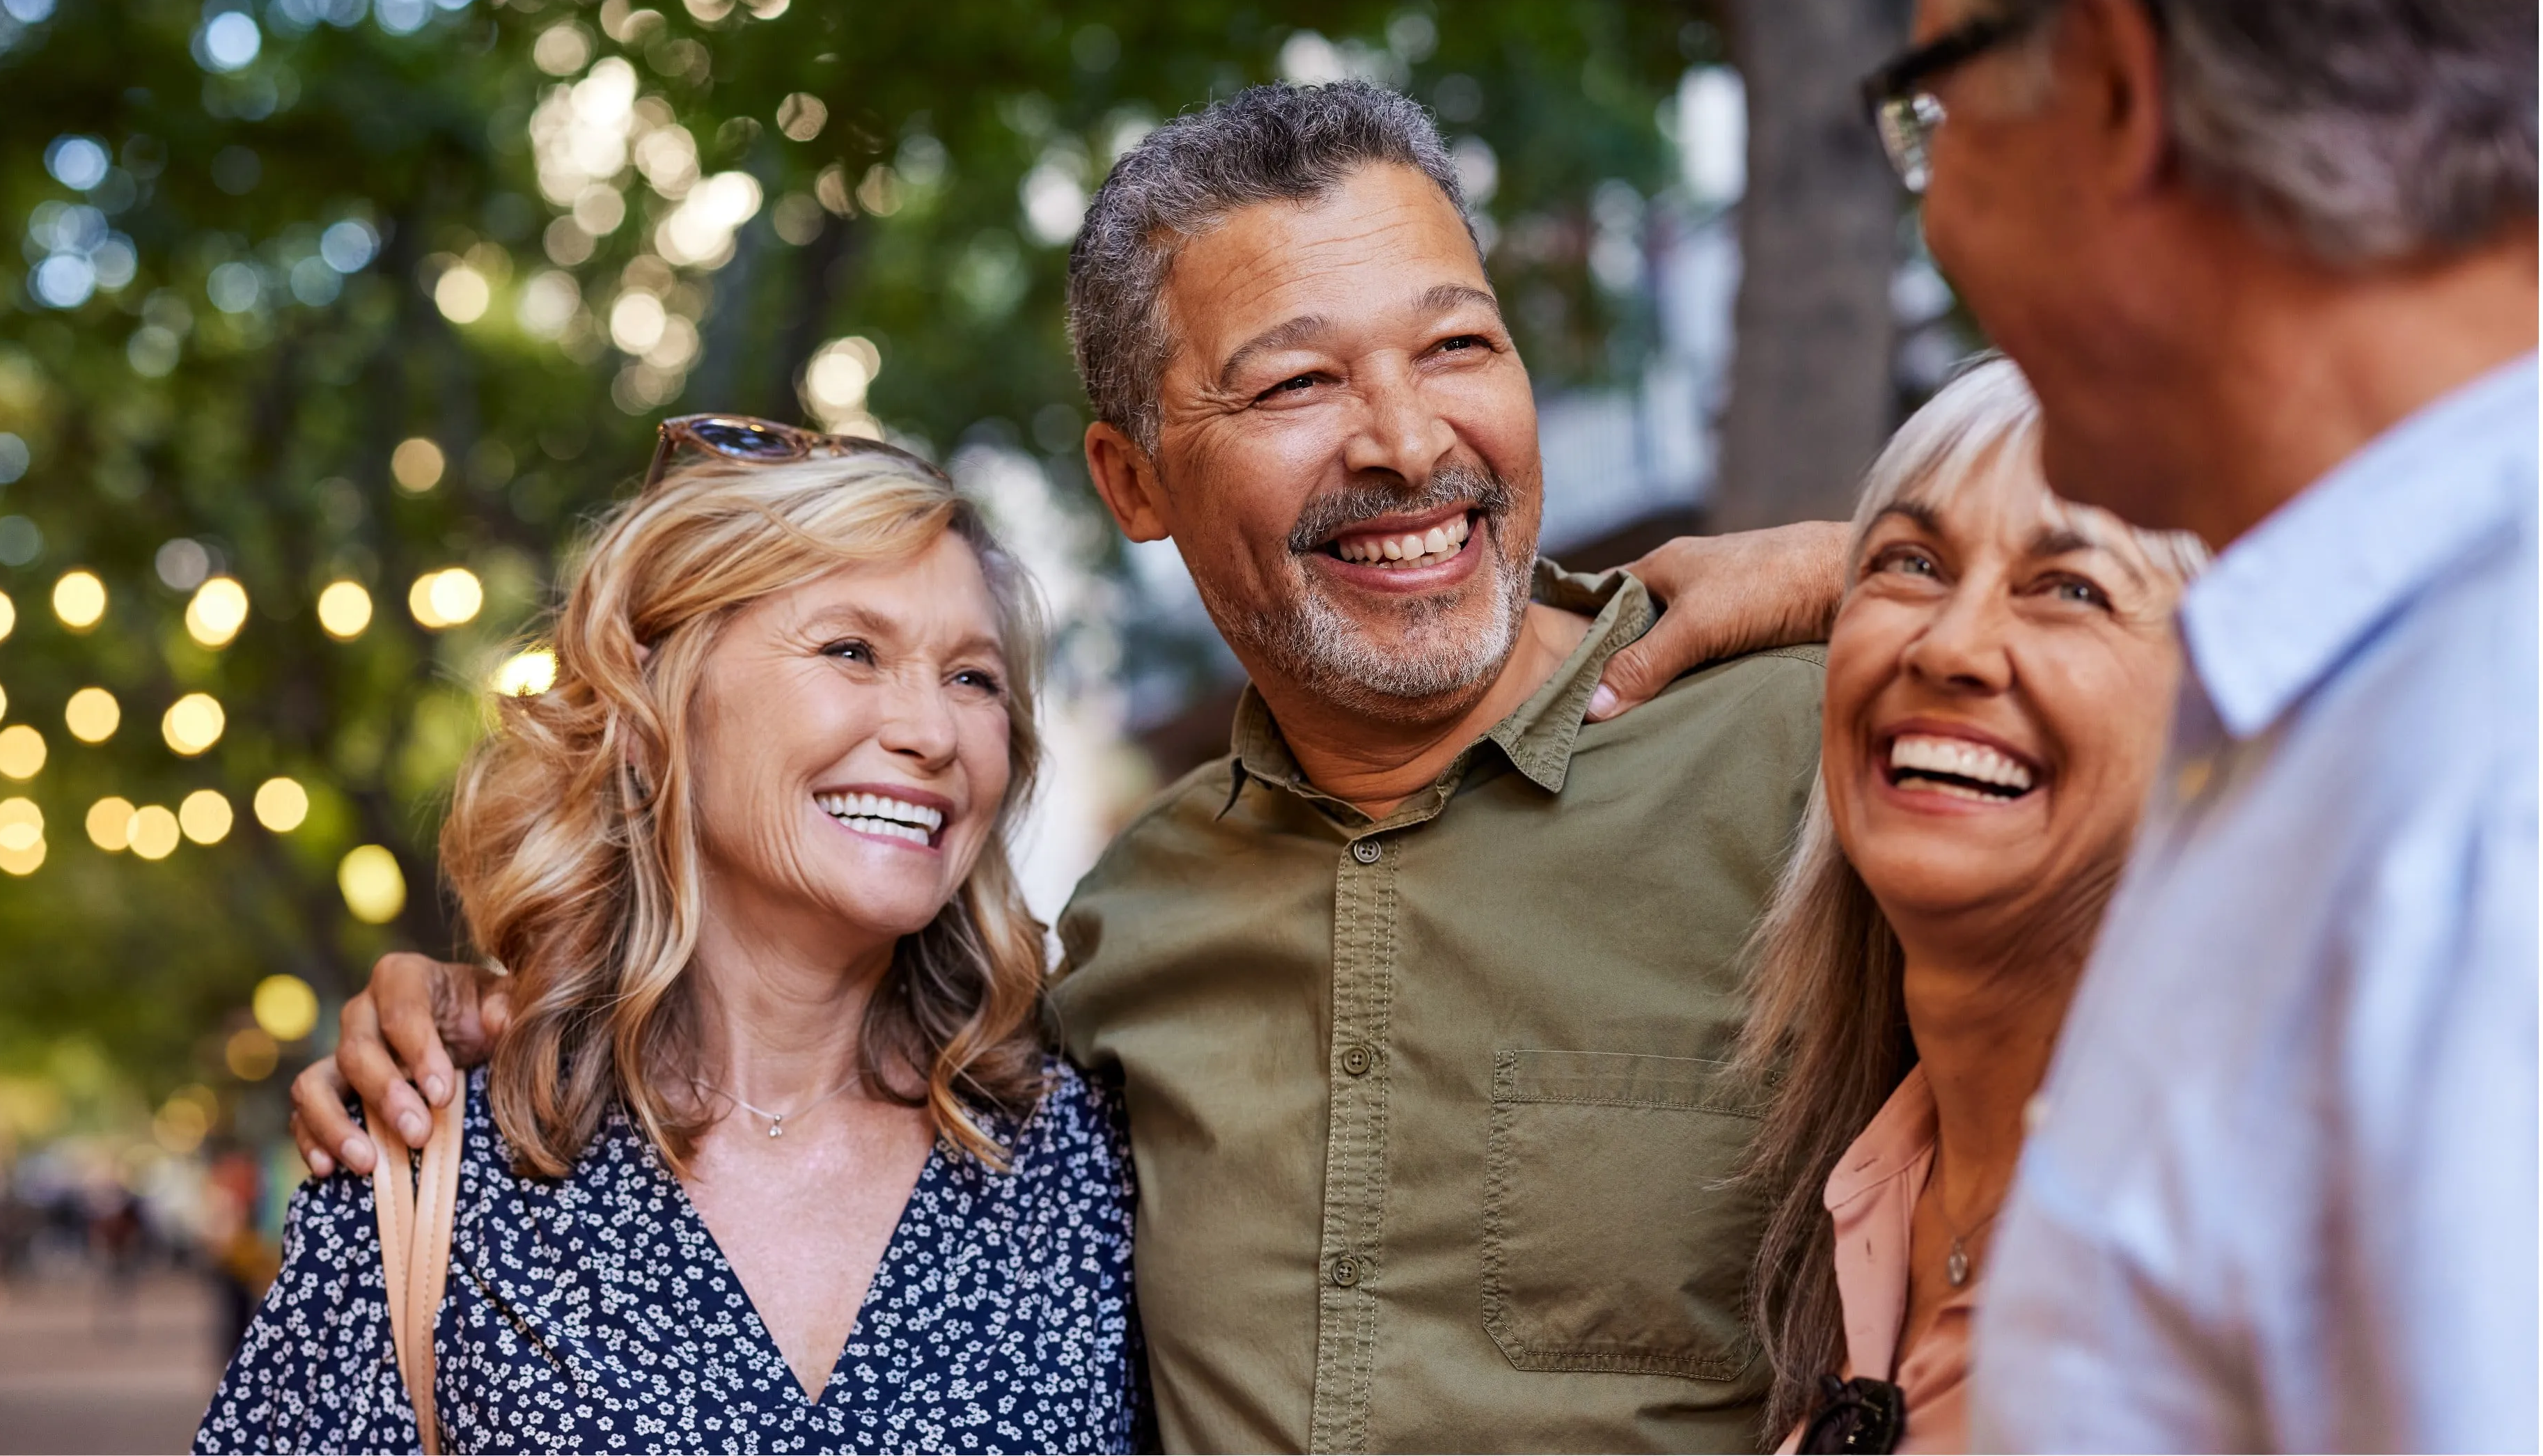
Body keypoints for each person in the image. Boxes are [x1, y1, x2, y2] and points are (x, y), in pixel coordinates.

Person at [297, 82, 1853, 1452]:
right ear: (1133, 478)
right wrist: (470, 1004)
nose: (1403, 438)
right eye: (1297, 382)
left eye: (1459, 345)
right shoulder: (1109, 966)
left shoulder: (1811, 763)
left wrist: (1891, 566)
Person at [1868, 0, 2537, 1448]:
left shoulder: (2485, 801)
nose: (1937, 214)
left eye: (1935, 115)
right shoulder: (2346, 700)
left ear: (2111, 86)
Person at [199, 425, 1145, 1453]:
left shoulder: (1089, 1157)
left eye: (975, 678)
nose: (932, 730)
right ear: (659, 701)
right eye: (851, 650)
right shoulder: (431, 1169)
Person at [1728, 359, 2202, 1453]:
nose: (1949, 646)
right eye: (1911, 563)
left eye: (2071, 587)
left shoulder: (2251, 1232)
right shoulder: (1874, 1185)